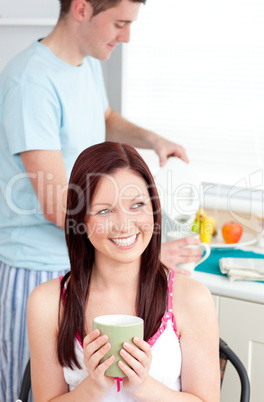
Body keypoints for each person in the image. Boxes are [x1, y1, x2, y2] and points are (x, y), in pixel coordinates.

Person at [0, 1, 202, 400]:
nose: (126, 37)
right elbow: (60, 205)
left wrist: (152, 140)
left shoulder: (86, 62)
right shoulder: (31, 84)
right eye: (120, 23)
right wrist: (142, 252)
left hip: (95, 259)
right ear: (81, 10)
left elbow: (104, 116)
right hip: (38, 267)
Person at [27, 142, 220, 401]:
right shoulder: (47, 303)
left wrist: (142, 386)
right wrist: (93, 386)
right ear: (80, 221)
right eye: (105, 210)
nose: (124, 225)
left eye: (137, 205)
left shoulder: (192, 298)